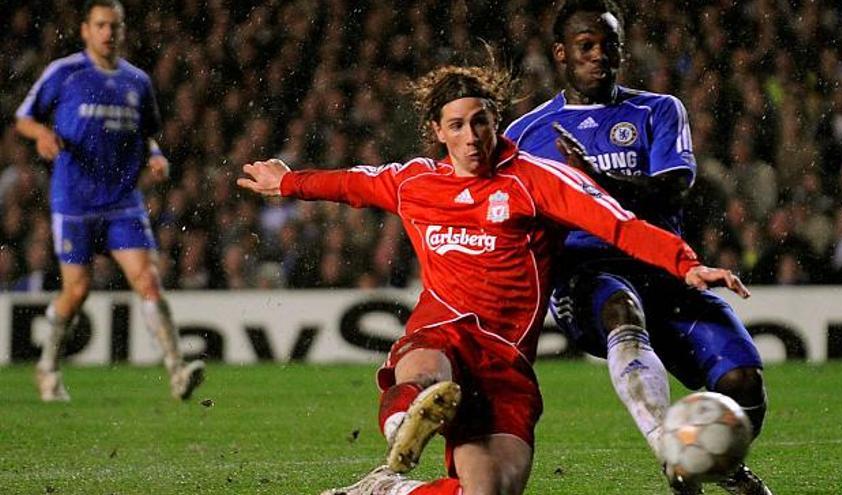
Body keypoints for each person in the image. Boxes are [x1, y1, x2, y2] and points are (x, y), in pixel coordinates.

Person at [238, 61, 749, 495]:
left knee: (486, 492)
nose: (470, 137)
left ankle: (395, 487)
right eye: (456, 125)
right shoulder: (414, 181)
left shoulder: (536, 180)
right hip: (445, 332)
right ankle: (404, 424)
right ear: (437, 131)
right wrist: (288, 183)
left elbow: (617, 223)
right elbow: (352, 184)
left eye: (480, 122)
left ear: (495, 121)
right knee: (422, 375)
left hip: (506, 361)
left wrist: (685, 263)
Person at [503, 1, 771, 494]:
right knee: (622, 311)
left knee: (744, 383)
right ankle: (672, 457)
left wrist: (593, 177)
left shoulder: (658, 110)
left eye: (609, 45)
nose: (598, 55)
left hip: (664, 269)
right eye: (585, 45)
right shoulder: (523, 136)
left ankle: (716, 464)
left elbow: (672, 189)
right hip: (587, 275)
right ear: (561, 53)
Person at [15, 0, 204, 402]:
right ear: (85, 30)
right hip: (75, 201)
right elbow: (24, 117)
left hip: (122, 200)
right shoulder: (64, 73)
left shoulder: (137, 81)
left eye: (114, 25)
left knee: (148, 281)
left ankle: (177, 370)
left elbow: (147, 132)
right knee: (78, 290)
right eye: (100, 25)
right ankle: (47, 367)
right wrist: (41, 136)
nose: (108, 33)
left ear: (122, 29)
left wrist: (154, 154)